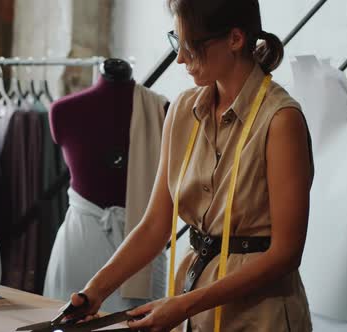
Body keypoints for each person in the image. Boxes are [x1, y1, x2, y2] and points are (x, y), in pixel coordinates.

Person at [63, 0, 314, 331]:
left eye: (190, 45)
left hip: (260, 317)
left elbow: (286, 254)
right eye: (176, 41)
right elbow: (155, 225)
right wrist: (93, 291)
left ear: (235, 39)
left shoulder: (281, 121)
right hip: (193, 311)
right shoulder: (182, 110)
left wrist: (184, 305)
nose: (180, 57)